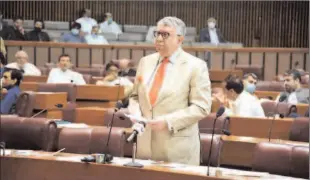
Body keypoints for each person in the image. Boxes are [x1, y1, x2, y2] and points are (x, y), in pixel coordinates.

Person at [127, 16, 211, 165]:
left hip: (177, 148)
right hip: (145, 146)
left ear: (179, 39)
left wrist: (168, 121)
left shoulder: (196, 66)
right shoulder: (145, 62)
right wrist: (135, 112)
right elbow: (135, 96)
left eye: (165, 34)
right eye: (157, 33)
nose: (159, 38)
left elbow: (202, 107)